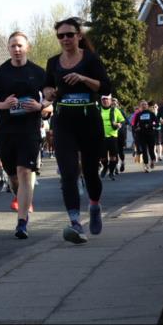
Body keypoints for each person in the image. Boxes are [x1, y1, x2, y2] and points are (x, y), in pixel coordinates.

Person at [42, 17, 112, 244]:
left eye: (69, 35)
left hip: (89, 120)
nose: (65, 39)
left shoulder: (90, 59)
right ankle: (75, 223)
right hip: (63, 122)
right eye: (60, 36)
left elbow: (106, 87)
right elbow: (46, 87)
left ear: (79, 36)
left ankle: (94, 205)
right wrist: (49, 93)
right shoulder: (53, 62)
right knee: (68, 173)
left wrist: (83, 78)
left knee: (91, 172)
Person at [0, 31, 45, 239]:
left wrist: (39, 105)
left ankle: (22, 222)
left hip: (29, 131)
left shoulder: (38, 72)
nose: (17, 49)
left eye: (20, 46)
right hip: (6, 132)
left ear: (27, 48)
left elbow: (52, 99)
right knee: (13, 176)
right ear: (8, 49)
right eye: (13, 46)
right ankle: (20, 196)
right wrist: (2, 104)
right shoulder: (1, 73)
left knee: (24, 171)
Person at [98, 94, 125, 180]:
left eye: (107, 99)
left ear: (110, 100)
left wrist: (119, 124)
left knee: (113, 157)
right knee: (103, 157)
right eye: (103, 100)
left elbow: (122, 121)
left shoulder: (115, 110)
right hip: (101, 137)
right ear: (101, 101)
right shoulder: (98, 110)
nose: (105, 101)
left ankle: (111, 172)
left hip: (113, 136)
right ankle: (105, 167)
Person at [134, 100, 158, 172]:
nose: (144, 106)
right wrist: (137, 128)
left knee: (151, 150)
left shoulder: (151, 113)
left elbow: (157, 124)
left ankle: (153, 161)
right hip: (142, 135)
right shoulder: (138, 115)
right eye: (142, 105)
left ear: (147, 106)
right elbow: (134, 125)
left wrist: (151, 125)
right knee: (144, 150)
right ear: (140, 106)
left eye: (145, 104)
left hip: (150, 134)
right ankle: (146, 165)